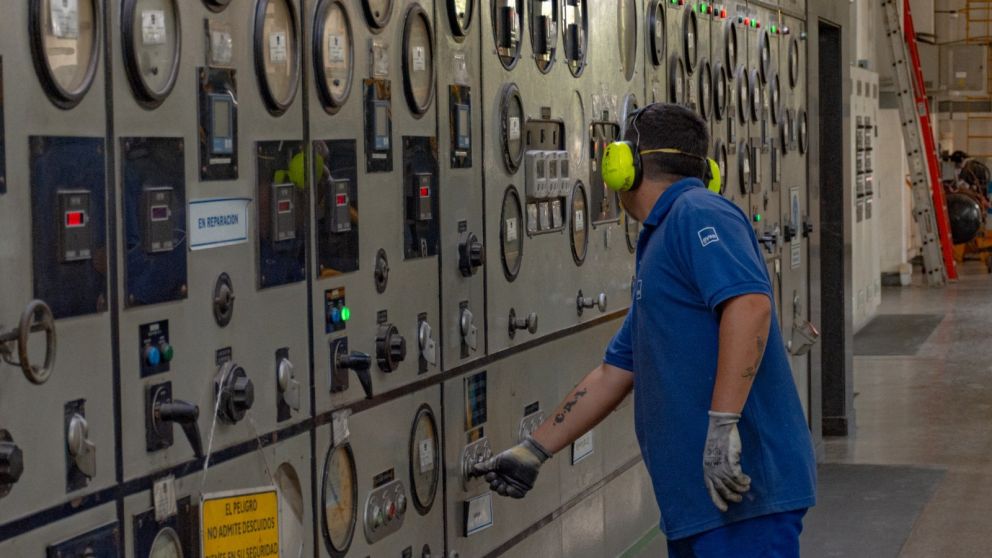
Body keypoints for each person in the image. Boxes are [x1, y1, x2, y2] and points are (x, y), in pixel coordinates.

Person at [472, 103, 816, 557]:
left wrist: (721, 426)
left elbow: (750, 305)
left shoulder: (698, 211)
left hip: (742, 494)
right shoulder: (663, 238)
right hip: (699, 502)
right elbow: (615, 371)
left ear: (624, 165)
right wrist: (535, 449)